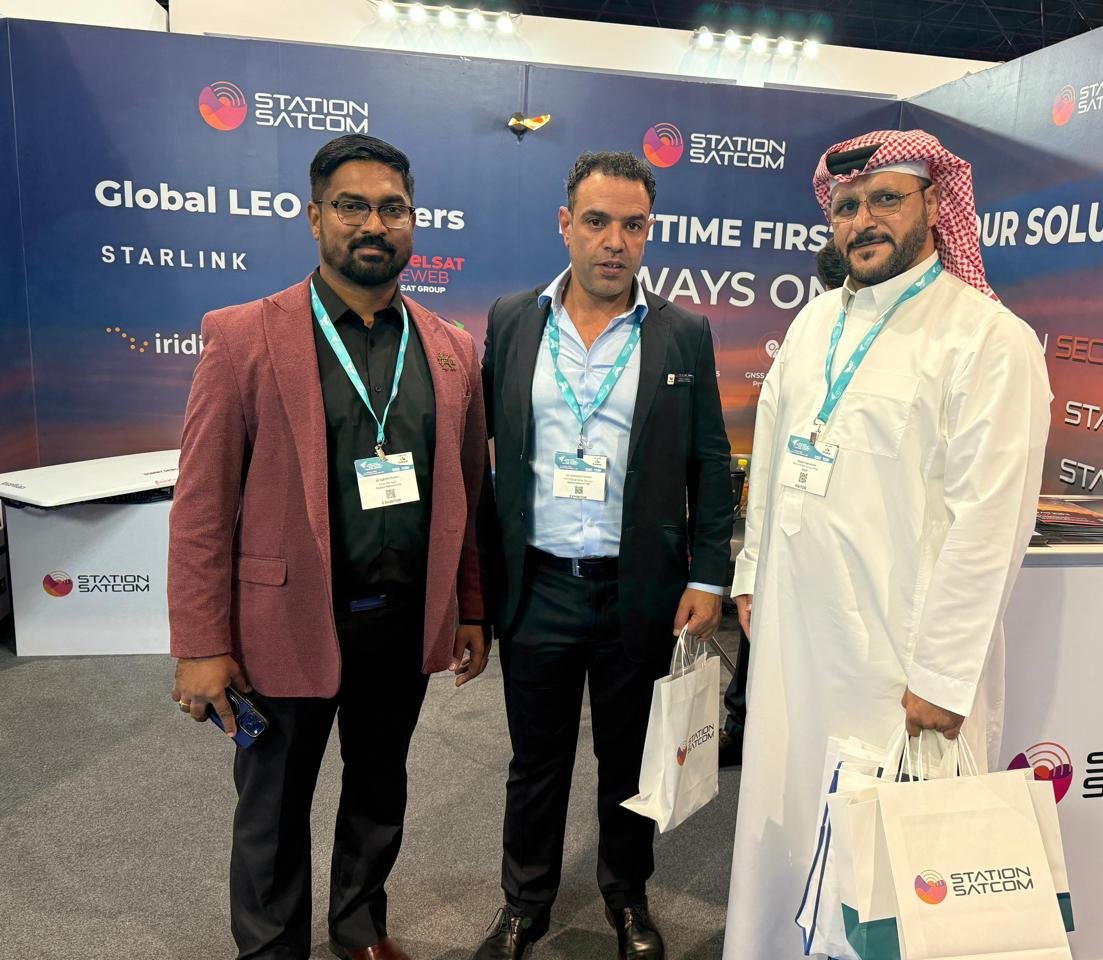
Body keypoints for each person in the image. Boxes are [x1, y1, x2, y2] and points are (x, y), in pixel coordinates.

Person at [722, 129, 1052, 959]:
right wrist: (752, 570)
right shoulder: (813, 321)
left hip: (895, 669)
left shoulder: (987, 338)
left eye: (884, 199)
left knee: (886, 879)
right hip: (795, 644)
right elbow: (775, 456)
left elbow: (991, 521)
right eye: (846, 207)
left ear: (934, 205)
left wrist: (943, 675)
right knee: (789, 819)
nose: (862, 220)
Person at [168, 134, 490, 960]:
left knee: (380, 787)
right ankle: (271, 949)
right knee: (273, 804)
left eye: (392, 208)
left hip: (402, 621)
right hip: (285, 622)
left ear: (413, 221)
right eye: (352, 206)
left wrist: (470, 608)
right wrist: (201, 644)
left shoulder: (452, 349)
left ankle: (358, 926)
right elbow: (201, 506)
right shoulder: (244, 336)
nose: (373, 224)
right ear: (315, 218)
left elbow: (467, 495)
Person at [473, 151, 733, 960]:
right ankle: (525, 904)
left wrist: (708, 575)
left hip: (640, 589)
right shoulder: (513, 320)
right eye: (596, 222)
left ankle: (627, 898)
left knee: (629, 760)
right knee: (536, 761)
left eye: (632, 225)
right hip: (539, 584)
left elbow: (710, 462)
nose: (614, 242)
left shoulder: (683, 333)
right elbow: (487, 454)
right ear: (566, 225)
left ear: (648, 232)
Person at [719, 236, 850, 769]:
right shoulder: (810, 330)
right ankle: (747, 724)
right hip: (791, 529)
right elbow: (773, 444)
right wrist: (752, 562)